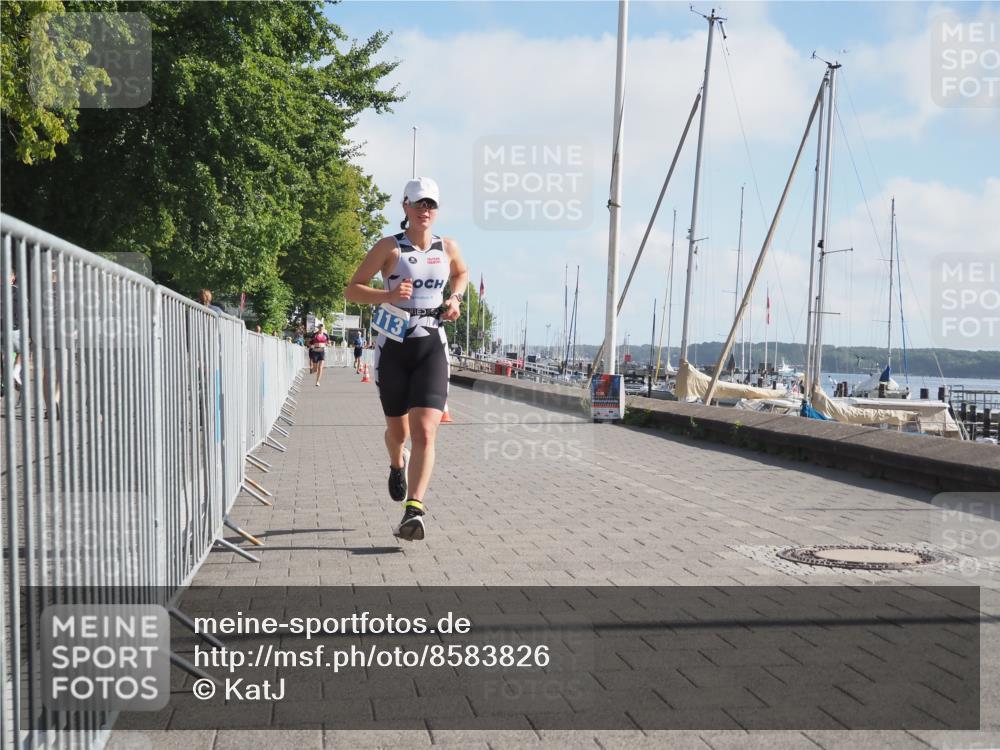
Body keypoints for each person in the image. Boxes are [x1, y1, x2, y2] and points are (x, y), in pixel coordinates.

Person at [344, 177, 468, 541]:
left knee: (426, 430)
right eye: (418, 204)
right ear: (405, 208)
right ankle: (396, 462)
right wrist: (387, 294)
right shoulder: (389, 247)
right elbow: (352, 289)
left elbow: (461, 273)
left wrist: (456, 299)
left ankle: (413, 509)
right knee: (398, 432)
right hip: (393, 346)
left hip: (432, 343)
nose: (424, 210)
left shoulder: (448, 248)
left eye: (430, 205)